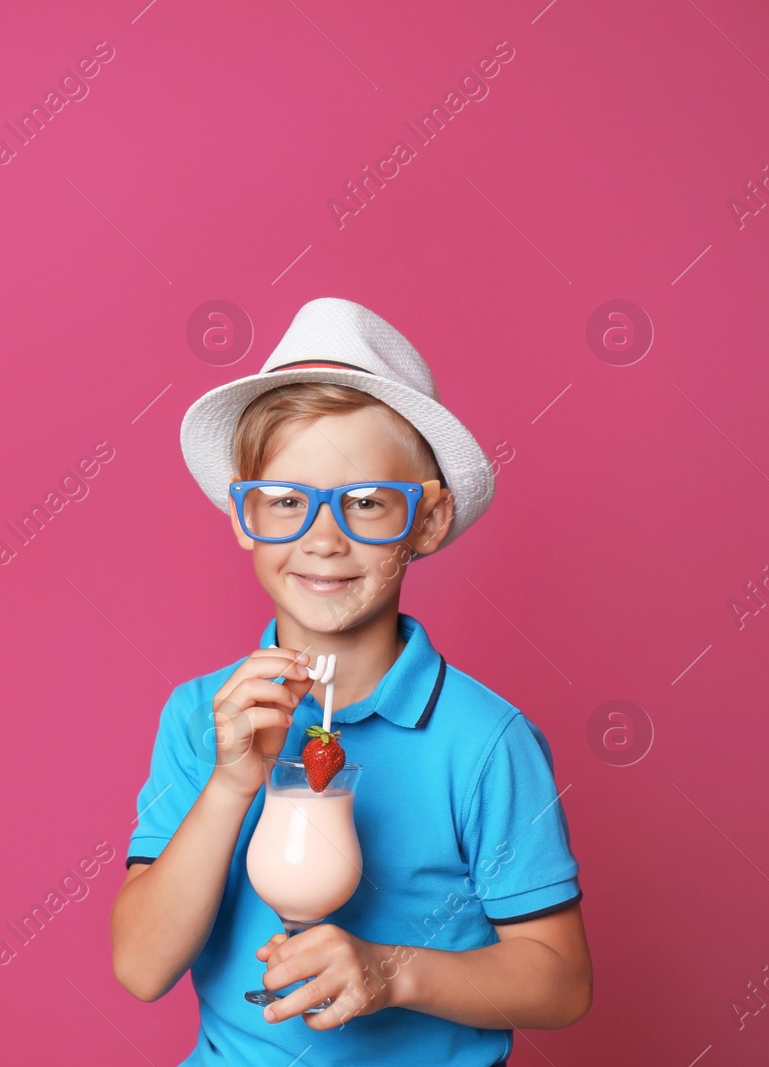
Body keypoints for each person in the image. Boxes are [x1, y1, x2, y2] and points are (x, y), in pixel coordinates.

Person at [111, 297, 591, 1065]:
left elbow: (562, 981)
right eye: (288, 501)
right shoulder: (202, 713)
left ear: (427, 521)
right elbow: (141, 966)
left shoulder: (485, 740)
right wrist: (233, 783)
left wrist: (392, 971)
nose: (323, 538)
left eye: (368, 503)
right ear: (244, 513)